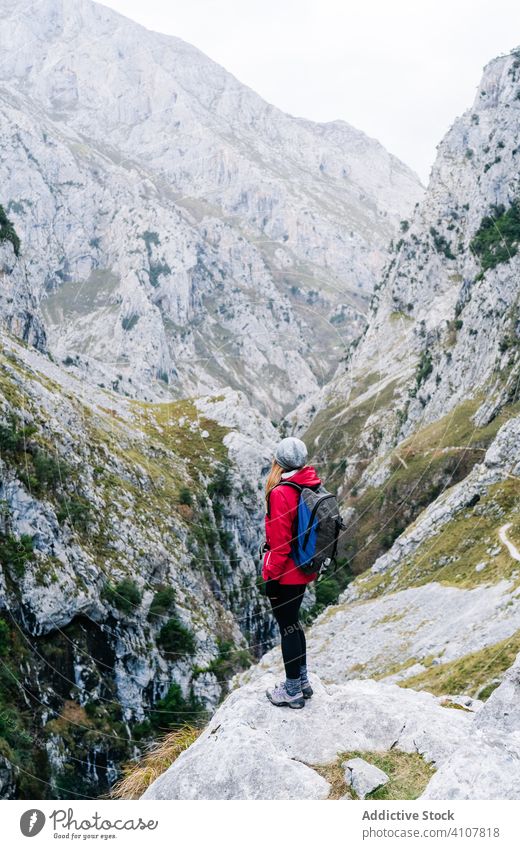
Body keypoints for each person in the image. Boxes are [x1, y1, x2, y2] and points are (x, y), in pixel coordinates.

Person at [262, 436, 320, 709]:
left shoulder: (280, 492)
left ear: (278, 462)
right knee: (295, 624)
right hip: (305, 570)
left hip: (285, 574)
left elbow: (280, 545)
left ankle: (292, 691)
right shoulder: (310, 483)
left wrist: (270, 577)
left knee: (287, 628)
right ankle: (303, 681)